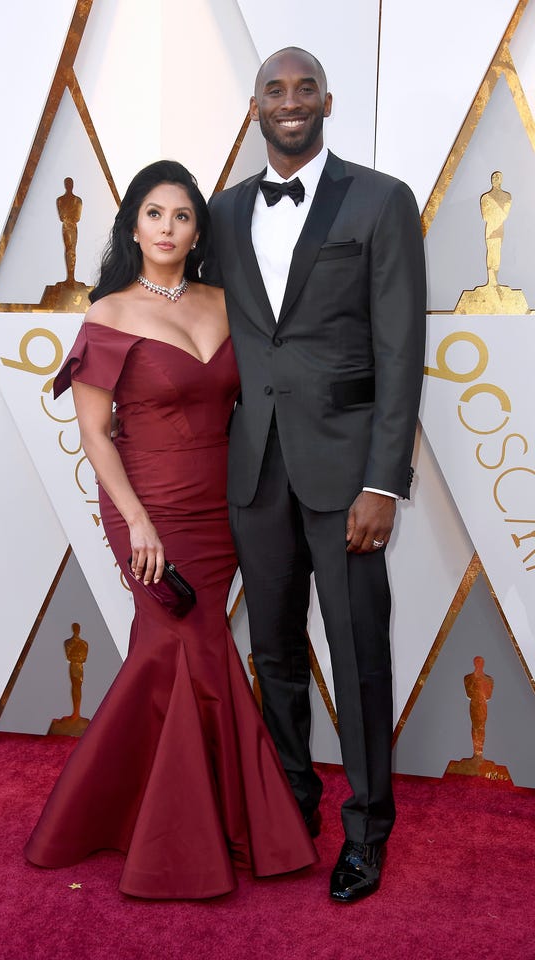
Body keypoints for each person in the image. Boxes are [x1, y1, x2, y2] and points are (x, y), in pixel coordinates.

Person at [24, 160, 317, 899]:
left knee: (202, 647)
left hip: (224, 509)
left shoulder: (225, 302)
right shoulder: (109, 313)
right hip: (147, 507)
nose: (167, 228)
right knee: (179, 647)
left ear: (197, 231)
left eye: (182, 216)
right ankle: (184, 835)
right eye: (154, 214)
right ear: (132, 225)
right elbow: (95, 435)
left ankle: (162, 813)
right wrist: (138, 525)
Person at [205, 48, 426, 903]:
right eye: (274, 90)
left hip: (348, 478)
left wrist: (385, 483)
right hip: (254, 467)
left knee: (358, 652)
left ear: (327, 101)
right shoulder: (222, 213)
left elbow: (401, 351)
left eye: (305, 89)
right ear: (255, 106)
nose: (290, 103)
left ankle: (367, 830)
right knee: (274, 652)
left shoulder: (380, 200)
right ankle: (290, 802)